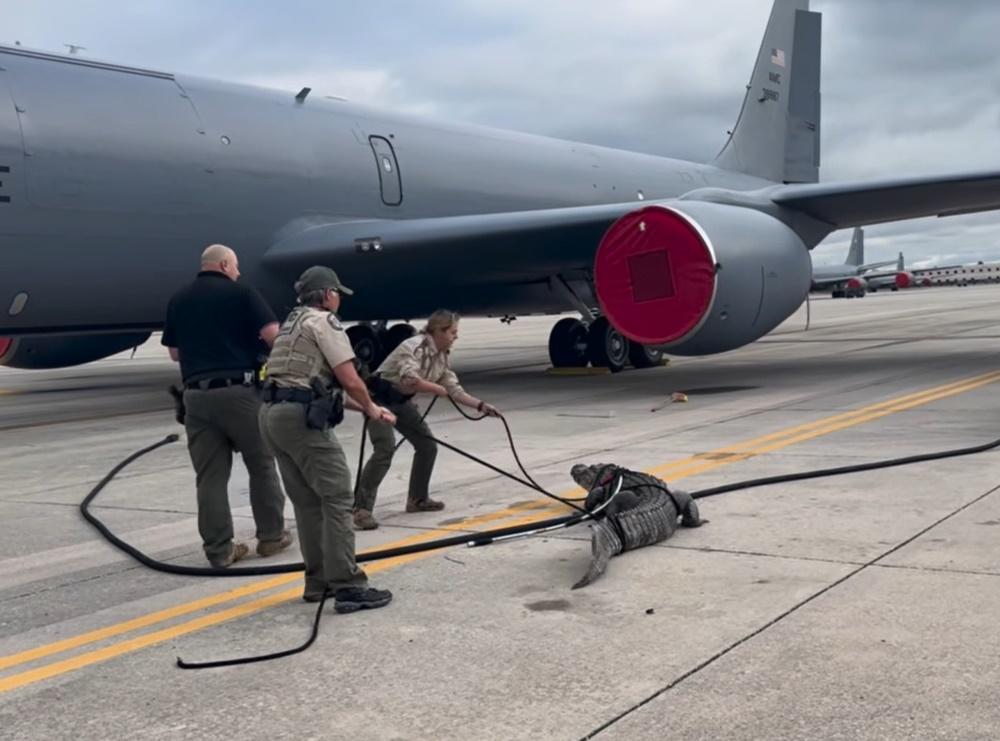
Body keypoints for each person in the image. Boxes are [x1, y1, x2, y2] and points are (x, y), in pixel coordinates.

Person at [258, 265, 397, 612]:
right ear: (326, 295)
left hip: (271, 414)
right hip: (299, 419)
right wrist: (370, 404)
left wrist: (368, 409)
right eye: (336, 292)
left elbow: (314, 386)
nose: (339, 299)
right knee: (337, 497)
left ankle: (317, 582)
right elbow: (349, 378)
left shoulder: (292, 323)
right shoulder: (324, 322)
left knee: (307, 502)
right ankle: (348, 584)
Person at [161, 244, 292, 568]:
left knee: (210, 478)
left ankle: (219, 551)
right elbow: (274, 334)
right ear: (223, 264)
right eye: (234, 267)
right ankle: (271, 538)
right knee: (261, 464)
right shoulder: (242, 293)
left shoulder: (179, 298)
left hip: (196, 396)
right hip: (240, 393)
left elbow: (175, 354)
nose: (238, 272)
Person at [353, 310, 500, 530]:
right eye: (452, 332)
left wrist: (481, 406)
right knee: (384, 449)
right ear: (438, 331)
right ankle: (361, 509)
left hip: (402, 401)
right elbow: (409, 379)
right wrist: (435, 388)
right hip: (379, 400)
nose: (455, 337)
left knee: (427, 446)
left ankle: (417, 499)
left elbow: (453, 389)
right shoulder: (414, 347)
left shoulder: (441, 355)